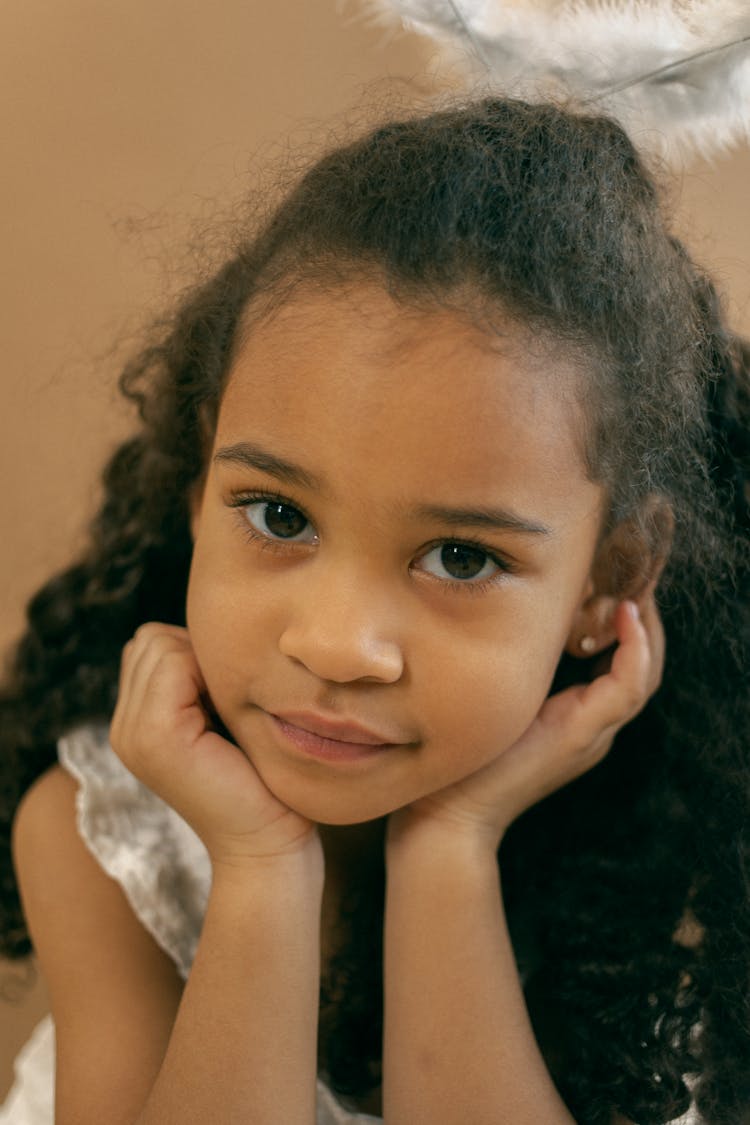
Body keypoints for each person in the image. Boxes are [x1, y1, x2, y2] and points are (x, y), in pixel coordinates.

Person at [1, 96, 748, 1125]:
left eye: (460, 556)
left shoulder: (688, 884)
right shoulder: (102, 837)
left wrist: (450, 851)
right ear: (197, 478)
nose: (335, 644)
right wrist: (261, 870)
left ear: (609, 581)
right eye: (277, 513)